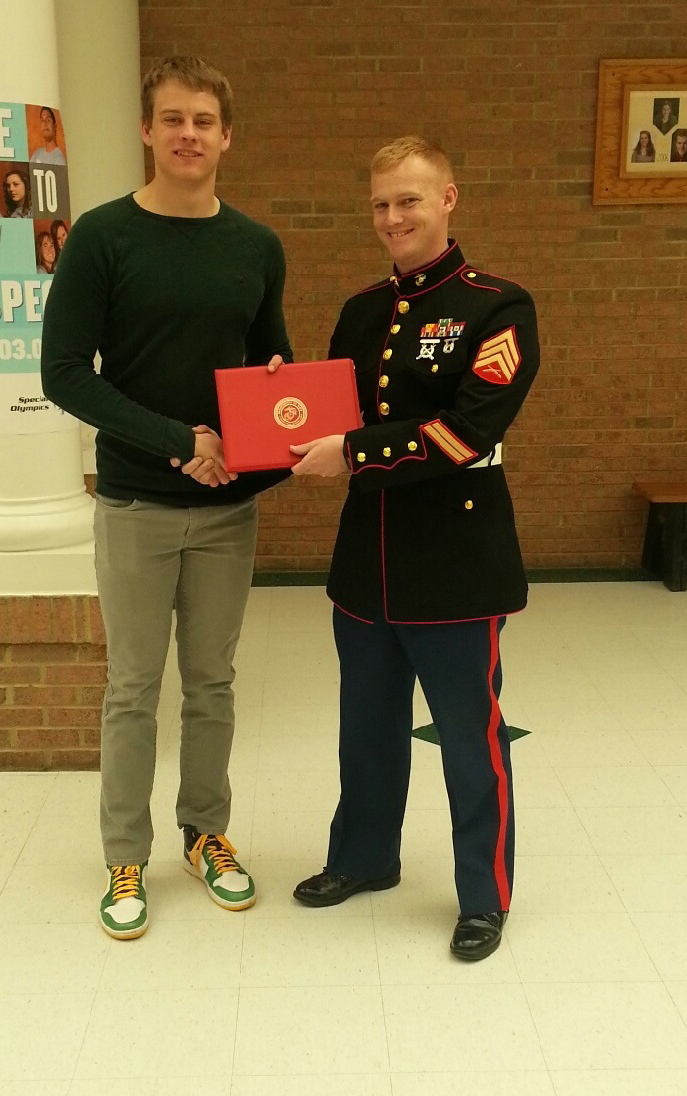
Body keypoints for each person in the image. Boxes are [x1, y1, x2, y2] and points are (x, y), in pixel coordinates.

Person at [41, 55, 292, 941]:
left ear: (227, 136)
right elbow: (66, 374)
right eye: (172, 118)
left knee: (214, 684)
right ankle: (125, 855)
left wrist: (262, 421)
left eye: (205, 121)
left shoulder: (256, 246)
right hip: (137, 505)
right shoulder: (102, 239)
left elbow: (272, 365)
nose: (189, 134)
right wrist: (178, 442)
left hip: (227, 511)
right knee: (132, 687)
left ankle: (206, 835)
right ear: (147, 131)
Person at [289, 135, 540, 962]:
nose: (393, 217)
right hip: (369, 562)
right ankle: (364, 859)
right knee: (365, 727)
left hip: (458, 564)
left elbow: (467, 433)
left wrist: (354, 453)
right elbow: (328, 407)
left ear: (448, 200)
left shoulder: (497, 307)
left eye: (410, 200)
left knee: (469, 736)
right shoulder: (363, 310)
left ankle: (483, 897)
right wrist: (278, 399)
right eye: (381, 204)